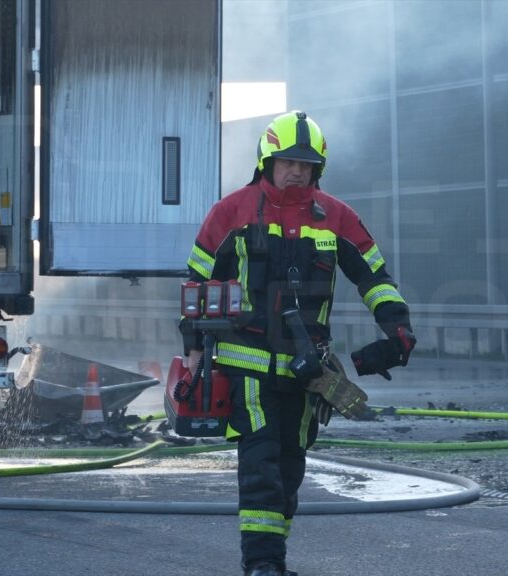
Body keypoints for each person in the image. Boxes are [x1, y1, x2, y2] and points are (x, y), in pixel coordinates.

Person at [180, 111, 416, 576]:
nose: (297, 171)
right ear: (267, 161)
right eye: (288, 161)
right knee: (261, 461)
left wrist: (397, 329)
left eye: (306, 164)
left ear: (318, 169)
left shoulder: (338, 217)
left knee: (290, 466)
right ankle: (263, 564)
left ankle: (272, 558)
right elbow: (198, 279)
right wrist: (192, 348)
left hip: (309, 371)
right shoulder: (231, 212)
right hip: (245, 363)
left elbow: (374, 278)